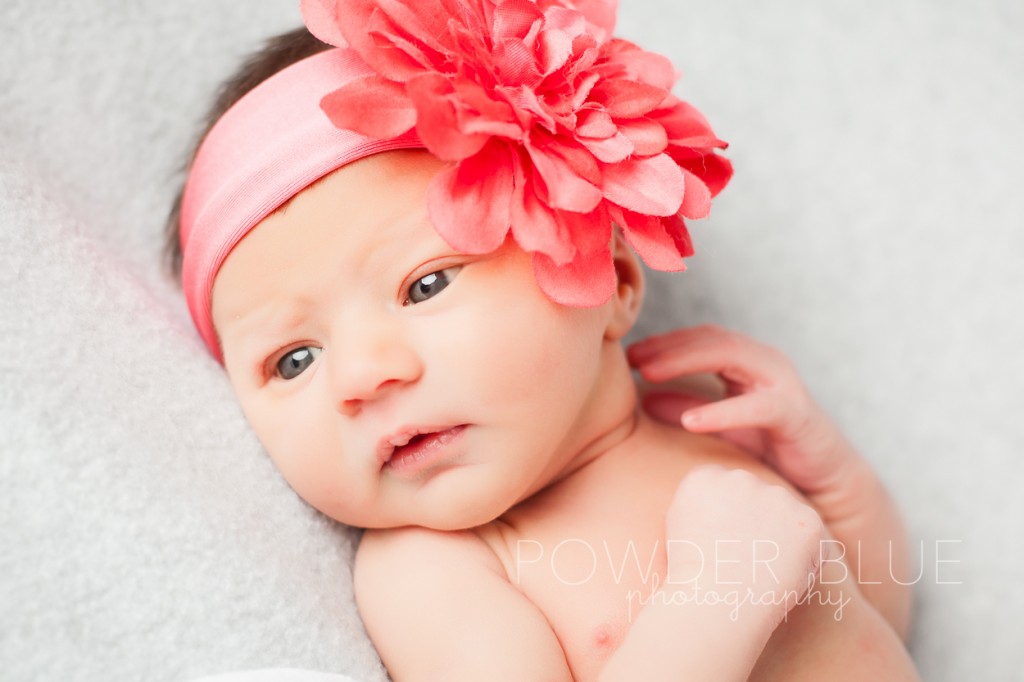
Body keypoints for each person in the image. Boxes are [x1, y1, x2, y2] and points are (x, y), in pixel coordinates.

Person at [165, 1, 920, 679]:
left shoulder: (696, 421)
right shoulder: (434, 568)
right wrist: (718, 600)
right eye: (293, 360)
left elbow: (876, 626)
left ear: (610, 277)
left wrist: (835, 488)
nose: (362, 376)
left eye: (425, 285)